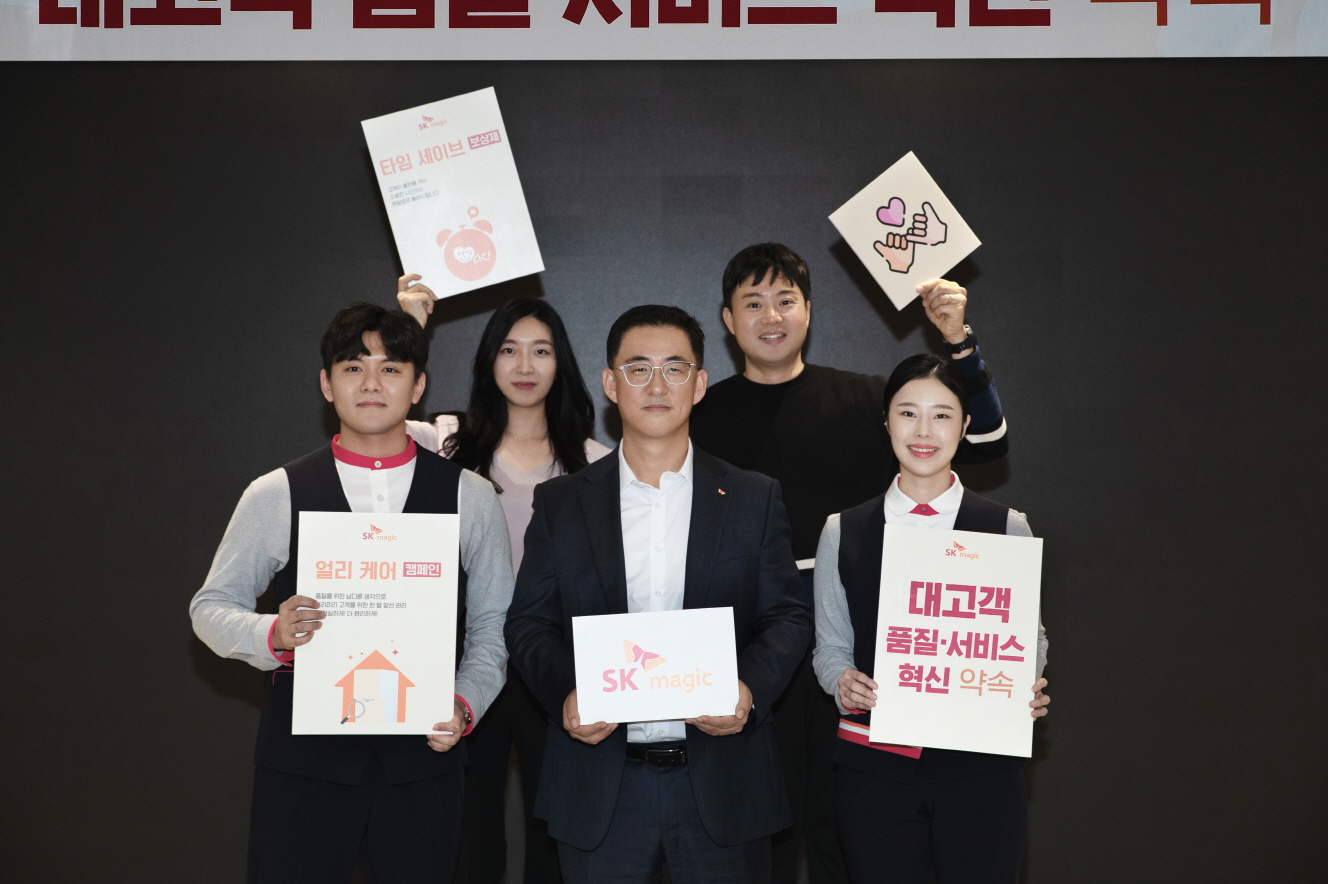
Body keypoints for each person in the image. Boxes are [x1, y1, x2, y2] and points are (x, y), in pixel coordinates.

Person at [689, 243, 1011, 884]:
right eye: (754, 303)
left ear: (809, 310)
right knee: (761, 829)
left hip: (865, 646)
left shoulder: (867, 399)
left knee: (852, 830)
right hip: (752, 646)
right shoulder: (703, 415)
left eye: (785, 300)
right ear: (728, 319)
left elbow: (986, 440)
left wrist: (958, 342)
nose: (771, 316)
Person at [189, 302, 514, 882]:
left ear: (418, 385)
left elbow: (495, 625)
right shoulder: (276, 492)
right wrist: (272, 633)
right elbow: (209, 608)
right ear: (326, 383)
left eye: (390, 369)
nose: (370, 383)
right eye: (353, 368)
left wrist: (464, 703)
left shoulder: (472, 495)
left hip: (423, 764)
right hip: (303, 764)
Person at [505, 305, 812, 883]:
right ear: (610, 383)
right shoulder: (562, 503)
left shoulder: (753, 497)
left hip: (723, 783)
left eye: (675, 369)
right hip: (600, 785)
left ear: (699, 384)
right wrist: (566, 692)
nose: (656, 385)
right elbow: (527, 624)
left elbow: (788, 617)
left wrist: (748, 690)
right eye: (638, 369)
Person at [397, 274, 610, 883]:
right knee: (470, 831)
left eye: (541, 350)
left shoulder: (595, 463)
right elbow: (380, 408)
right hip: (468, 665)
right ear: (489, 360)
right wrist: (411, 322)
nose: (524, 365)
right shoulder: (445, 442)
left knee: (555, 834)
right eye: (509, 349)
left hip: (556, 667)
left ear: (561, 364)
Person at [812, 354, 1050, 884]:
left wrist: (1022, 686)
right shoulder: (843, 530)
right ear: (886, 422)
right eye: (907, 413)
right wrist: (841, 681)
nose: (923, 431)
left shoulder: (1006, 526)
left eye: (942, 415)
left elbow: (1029, 636)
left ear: (965, 427)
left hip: (981, 763)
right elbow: (830, 646)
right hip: (874, 765)